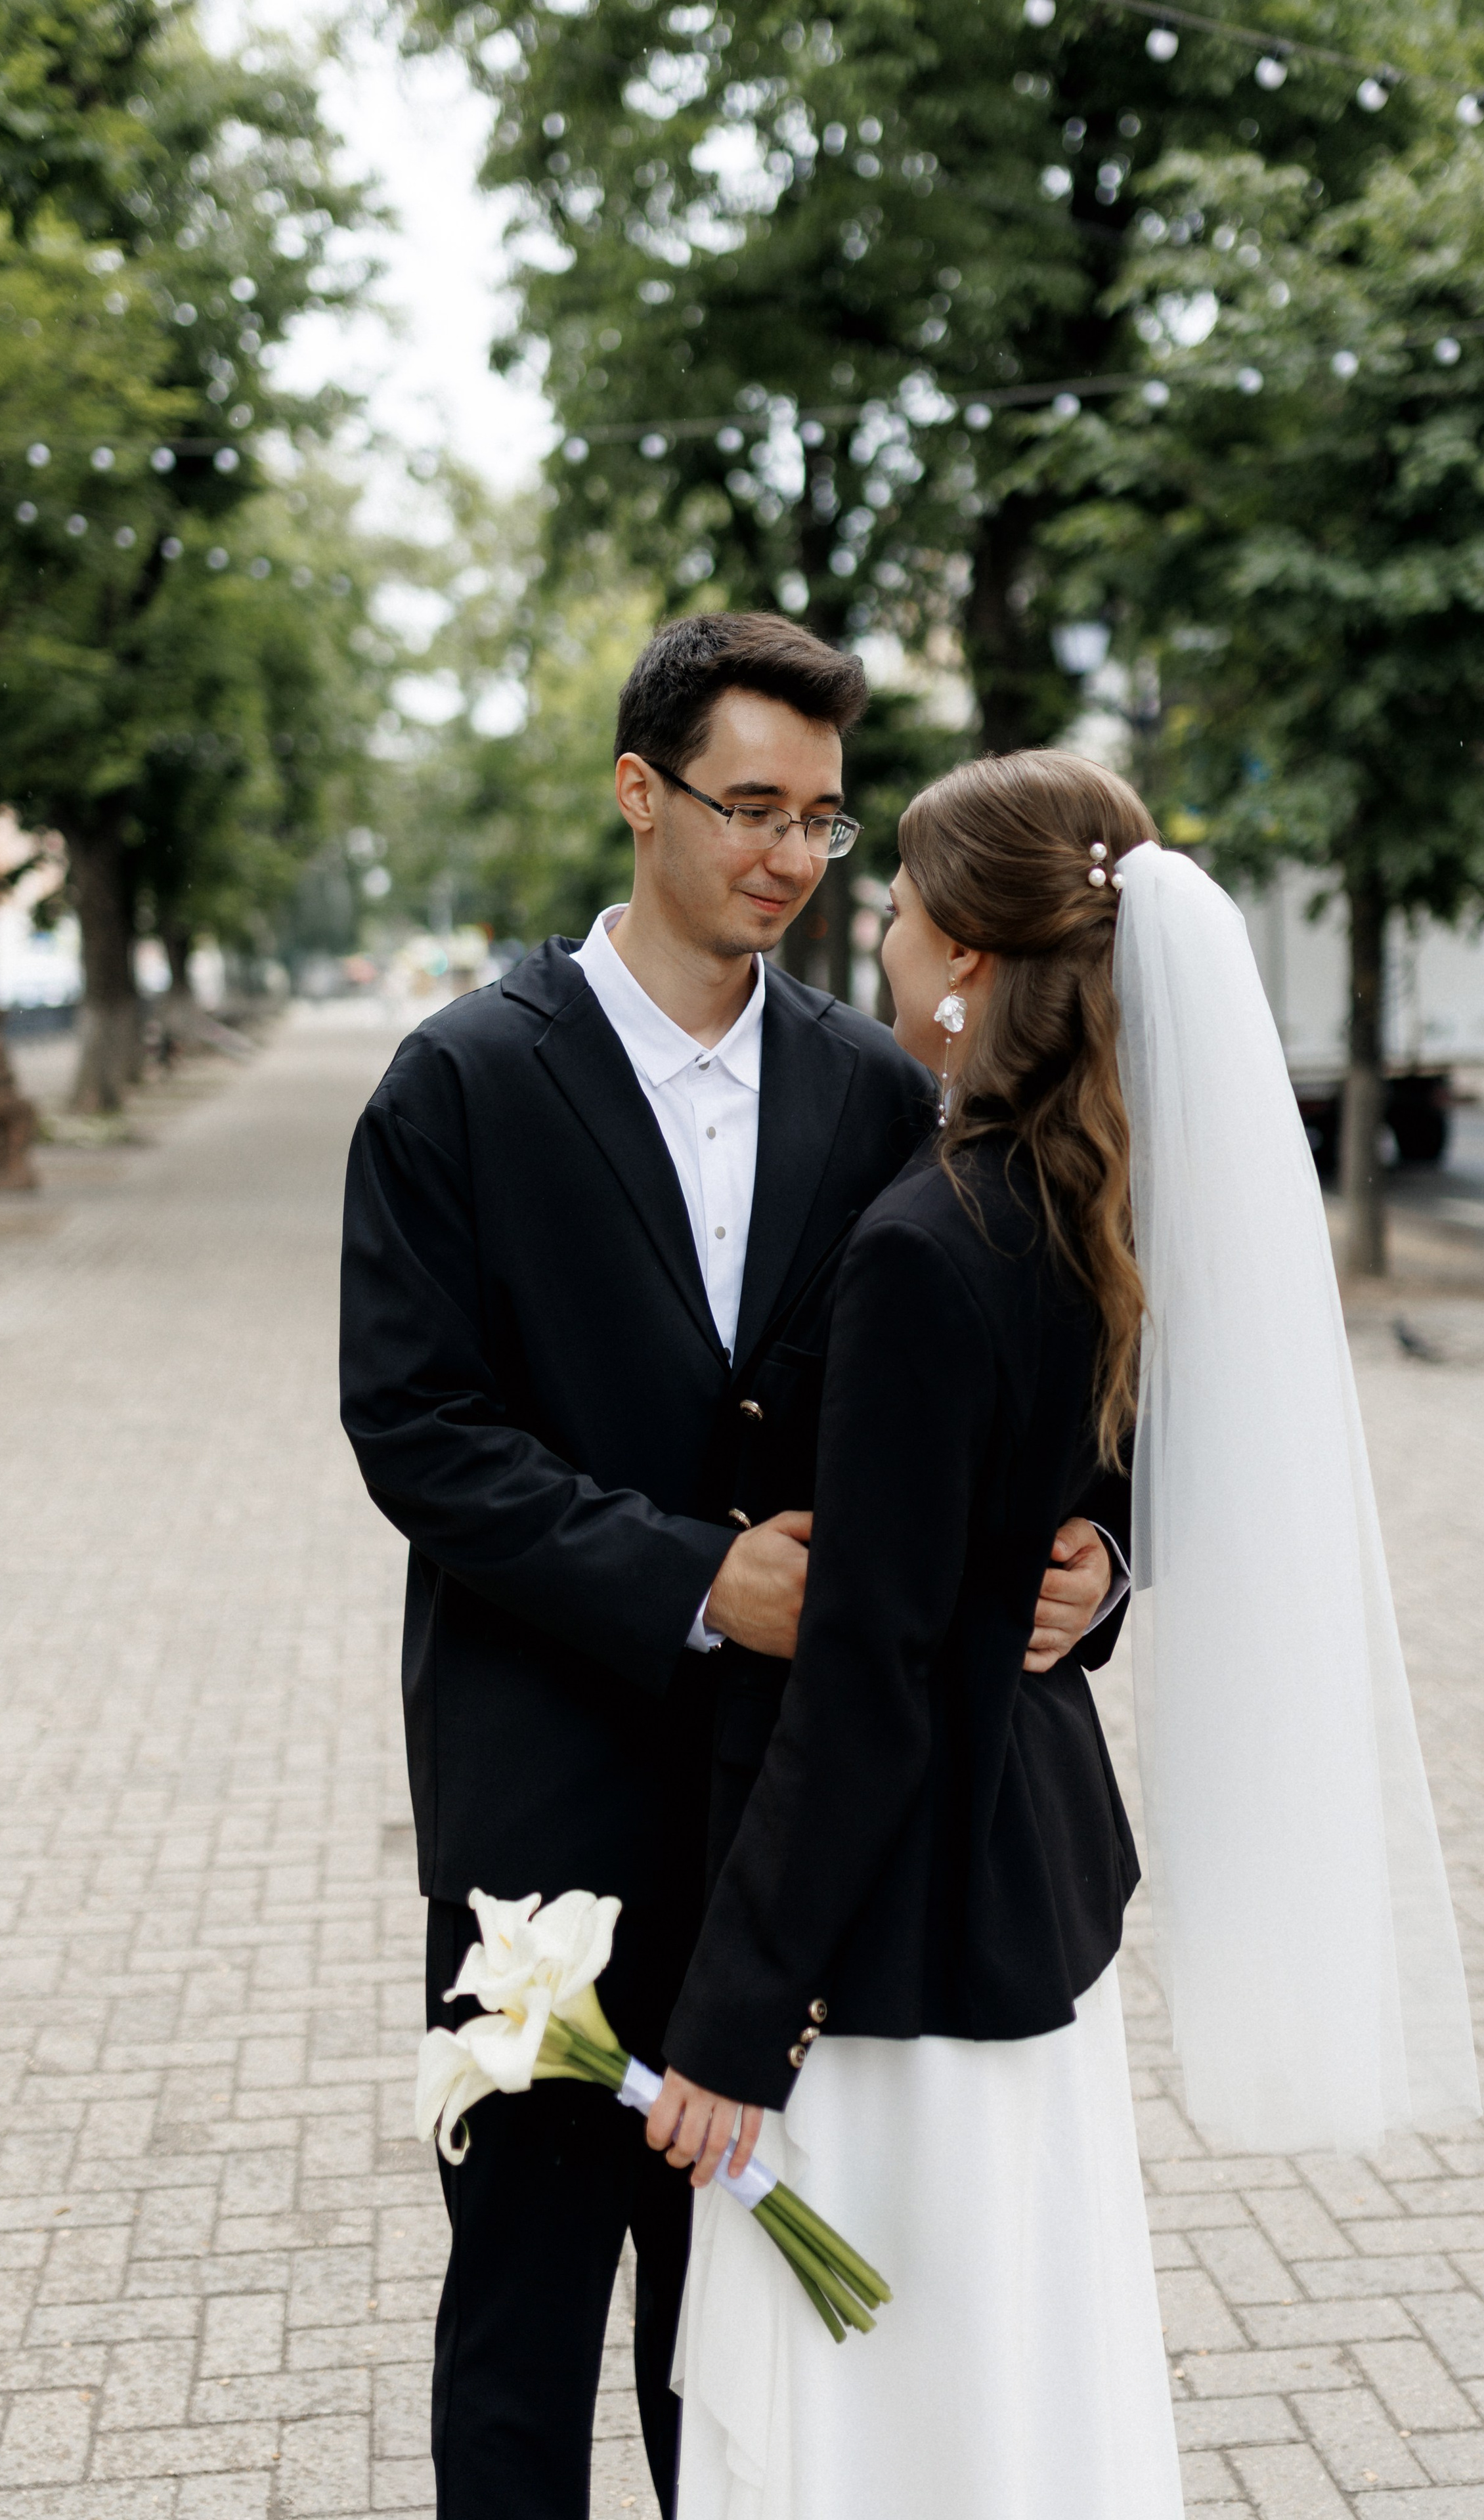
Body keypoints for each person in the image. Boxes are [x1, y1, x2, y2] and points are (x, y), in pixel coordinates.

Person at [338, 617, 1122, 2520]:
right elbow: (417, 1431)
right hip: (548, 1809)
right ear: (640, 794)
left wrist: (1103, 1556)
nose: (787, 854)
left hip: (800, 1825)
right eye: (750, 805)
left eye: (828, 824)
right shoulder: (457, 1082)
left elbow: (1047, 1347)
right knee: (520, 2331)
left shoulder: (884, 1086)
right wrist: (697, 1579)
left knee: (753, 2349)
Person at [651, 749, 1479, 2519]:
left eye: (894, 898)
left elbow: (865, 1674)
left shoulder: (922, 1244)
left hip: (897, 1955)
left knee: (891, 2405)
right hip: (1030, 1899)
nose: (868, 922)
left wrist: (733, 2014)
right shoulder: (1093, 1207)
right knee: (1013, 2375)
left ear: (962, 958)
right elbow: (1162, 1459)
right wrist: (1101, 1544)